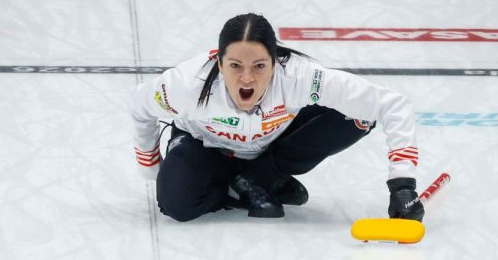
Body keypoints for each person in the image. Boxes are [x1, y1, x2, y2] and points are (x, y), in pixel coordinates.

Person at [130, 13, 425, 222]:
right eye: (234, 66)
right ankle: (240, 184)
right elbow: (139, 106)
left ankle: (259, 177)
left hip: (271, 146)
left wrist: (402, 185)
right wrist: (154, 170)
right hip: (203, 146)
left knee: (360, 115)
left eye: (259, 65)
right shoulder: (186, 85)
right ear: (218, 62)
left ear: (275, 62)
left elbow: (391, 104)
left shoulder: (300, 76)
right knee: (176, 206)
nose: (247, 78)